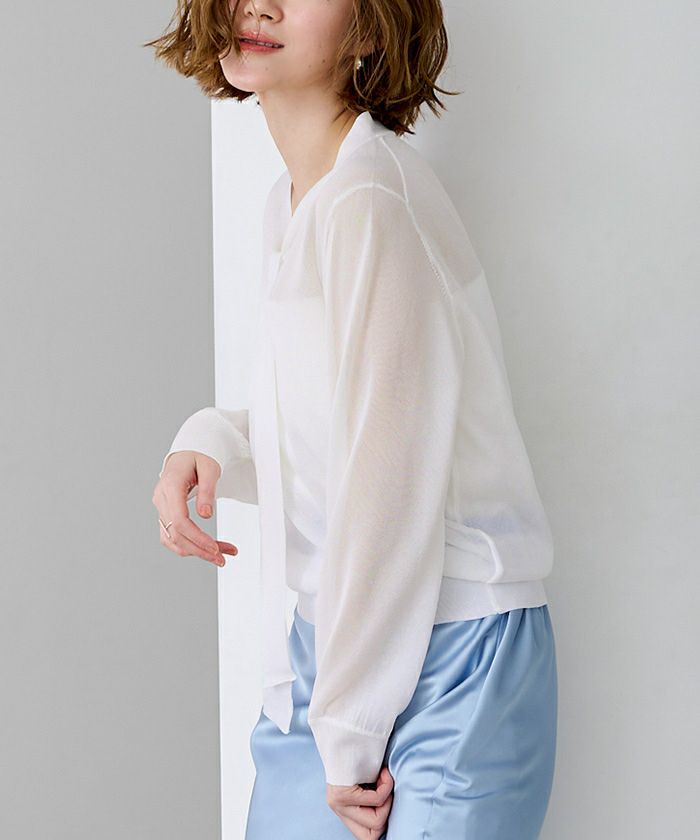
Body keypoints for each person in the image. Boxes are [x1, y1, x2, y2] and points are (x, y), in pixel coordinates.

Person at [147, 1, 558, 838]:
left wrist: (349, 729)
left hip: (456, 651)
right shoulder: (297, 201)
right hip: (339, 645)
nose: (260, 5)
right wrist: (214, 441)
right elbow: (332, 429)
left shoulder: (370, 201)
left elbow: (390, 484)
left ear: (370, 26)